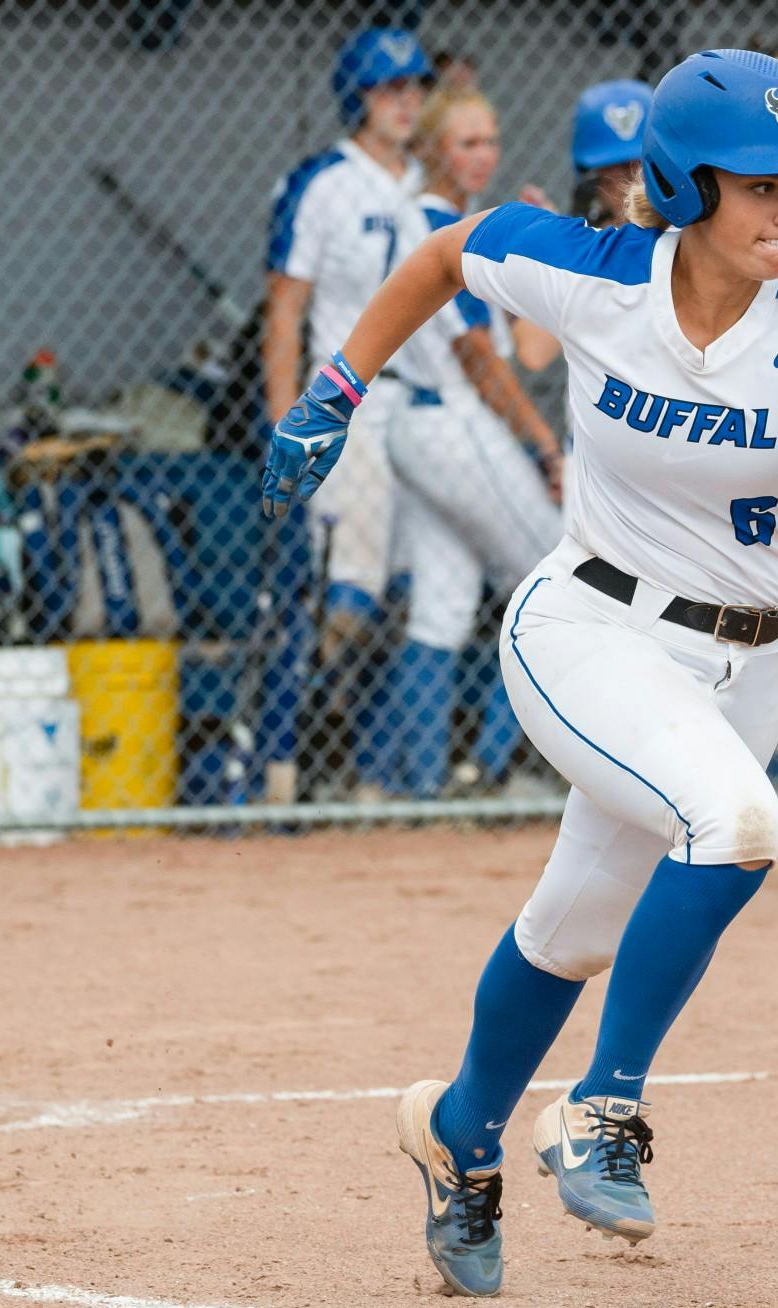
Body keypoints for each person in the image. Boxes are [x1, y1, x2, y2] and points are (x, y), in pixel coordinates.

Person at [260, 50, 778, 1297]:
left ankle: (458, 1130)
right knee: (733, 824)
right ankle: (600, 1108)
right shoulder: (598, 273)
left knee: (569, 930)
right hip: (590, 631)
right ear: (683, 181)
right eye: (761, 183)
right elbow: (443, 254)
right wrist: (336, 388)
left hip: (746, 666)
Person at [261, 27, 450, 801]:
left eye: (414, 87)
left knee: (405, 590)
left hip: (423, 403)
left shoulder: (428, 188)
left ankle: (370, 772)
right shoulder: (323, 182)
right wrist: (287, 427)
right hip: (347, 403)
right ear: (356, 97)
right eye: (388, 88)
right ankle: (283, 759)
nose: (406, 101)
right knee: (344, 595)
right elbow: (284, 313)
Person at [383, 83, 566, 799]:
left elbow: (525, 346)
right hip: (449, 417)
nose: (482, 155)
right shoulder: (430, 224)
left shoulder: (453, 219)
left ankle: (426, 786)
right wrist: (544, 443)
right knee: (558, 583)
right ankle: (491, 766)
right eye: (465, 141)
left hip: (423, 422)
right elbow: (480, 359)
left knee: (445, 603)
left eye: (489, 139)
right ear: (431, 147)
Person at [508, 79, 656, 373]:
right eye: (615, 167)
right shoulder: (594, 245)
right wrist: (560, 243)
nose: (632, 179)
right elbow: (532, 350)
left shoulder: (691, 238)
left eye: (639, 163)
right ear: (593, 175)